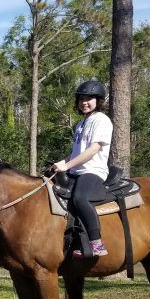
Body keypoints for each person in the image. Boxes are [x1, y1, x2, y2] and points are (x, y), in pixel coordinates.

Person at [51, 79, 114, 257]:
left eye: (89, 99)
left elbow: (93, 149)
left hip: (93, 171)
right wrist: (59, 164)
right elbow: (75, 153)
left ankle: (96, 243)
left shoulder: (101, 120)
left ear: (98, 101)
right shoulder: (80, 124)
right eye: (81, 99)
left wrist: (67, 166)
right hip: (76, 171)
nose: (84, 102)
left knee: (80, 199)